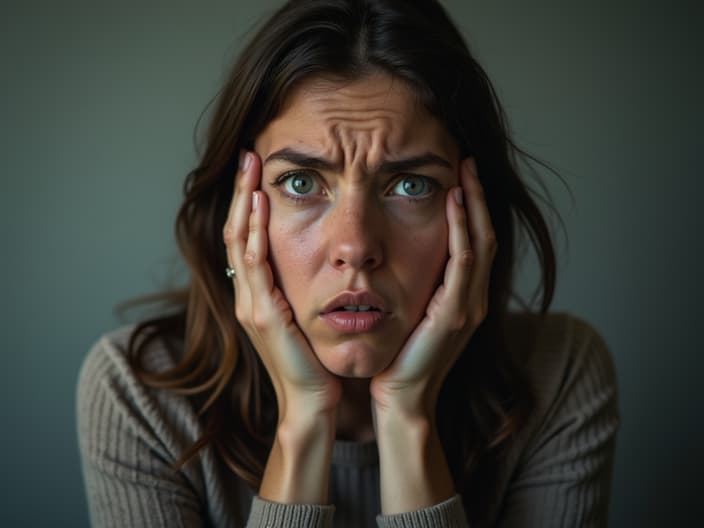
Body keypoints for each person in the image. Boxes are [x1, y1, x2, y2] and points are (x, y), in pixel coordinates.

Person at [77, 0, 620, 526]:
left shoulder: (558, 374)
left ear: (476, 216)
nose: (356, 246)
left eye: (410, 185)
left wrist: (408, 420)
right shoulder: (139, 395)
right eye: (301, 182)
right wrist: (304, 423)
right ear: (238, 216)